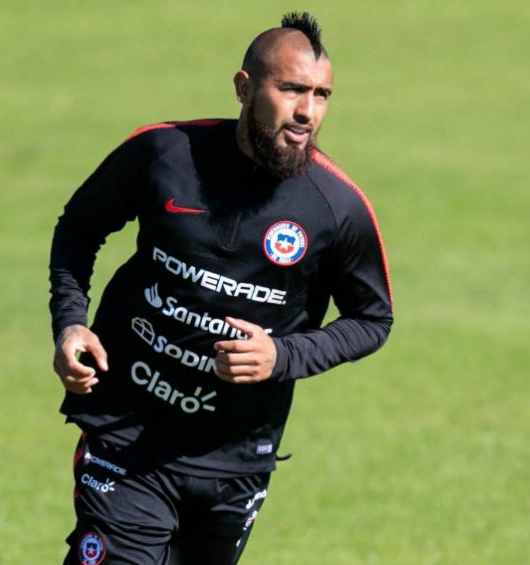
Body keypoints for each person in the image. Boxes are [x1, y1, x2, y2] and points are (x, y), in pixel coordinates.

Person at [49, 12, 394, 565]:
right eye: (291, 90)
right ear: (243, 87)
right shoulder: (162, 154)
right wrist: (70, 322)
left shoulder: (337, 207)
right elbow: (79, 228)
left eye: (322, 95)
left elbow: (373, 320)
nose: (308, 111)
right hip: (128, 434)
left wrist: (282, 355)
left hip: (234, 461)